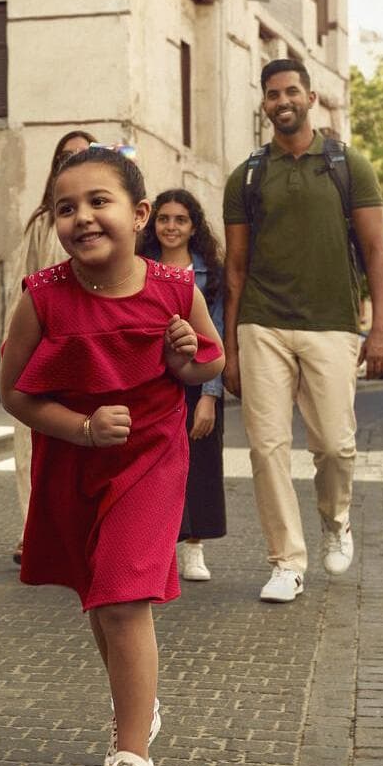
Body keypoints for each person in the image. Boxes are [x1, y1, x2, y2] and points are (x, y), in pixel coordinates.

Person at [0, 144, 224, 766]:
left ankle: (132, 762)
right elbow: (13, 393)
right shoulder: (42, 297)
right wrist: (80, 428)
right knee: (101, 600)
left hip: (150, 458)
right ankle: (140, 703)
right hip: (74, 463)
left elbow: (209, 360)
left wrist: (184, 363)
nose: (83, 218)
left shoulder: (175, 288)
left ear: (140, 214)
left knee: (124, 598)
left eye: (99, 201)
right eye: (66, 208)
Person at [222, 58, 383, 604]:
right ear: (264, 104)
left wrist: (380, 328)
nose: (283, 102)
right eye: (273, 94)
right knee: (266, 448)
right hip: (262, 323)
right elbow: (235, 269)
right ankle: (286, 562)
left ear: (310, 98)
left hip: (332, 324)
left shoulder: (348, 165)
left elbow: (376, 251)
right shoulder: (247, 176)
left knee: (336, 447)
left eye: (291, 92)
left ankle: (336, 521)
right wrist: (230, 350)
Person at [10, 130, 96, 565]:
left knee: (83, 439)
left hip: (92, 346)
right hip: (42, 346)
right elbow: (21, 289)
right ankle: (33, 534)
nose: (74, 160)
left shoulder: (109, 220)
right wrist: (13, 349)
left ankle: (84, 532)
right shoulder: (42, 223)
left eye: (84, 154)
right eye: (67, 155)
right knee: (31, 443)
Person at [139, 189, 227, 582]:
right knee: (153, 468)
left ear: (194, 227)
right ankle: (158, 551)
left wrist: (210, 396)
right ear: (152, 223)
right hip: (153, 379)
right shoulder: (139, 267)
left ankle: (194, 548)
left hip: (200, 378)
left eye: (180, 220)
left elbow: (217, 335)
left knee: (200, 463)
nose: (171, 227)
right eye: (164, 218)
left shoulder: (211, 274)